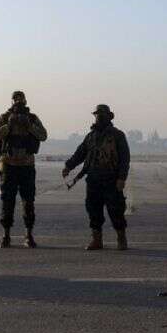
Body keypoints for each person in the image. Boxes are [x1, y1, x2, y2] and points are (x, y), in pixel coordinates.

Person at [62, 104, 131, 250]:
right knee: (93, 210)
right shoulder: (91, 136)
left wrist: (121, 178)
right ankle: (97, 240)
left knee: (116, 210)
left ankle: (121, 238)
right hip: (93, 179)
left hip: (111, 179)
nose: (98, 117)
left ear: (108, 117)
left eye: (101, 115)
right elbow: (80, 154)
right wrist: (69, 166)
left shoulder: (117, 135)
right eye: (97, 115)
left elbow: (125, 159)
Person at [0, 90, 48, 248]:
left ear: (25, 100)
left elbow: (43, 135)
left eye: (20, 99)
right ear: (12, 101)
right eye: (16, 99)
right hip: (9, 165)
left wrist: (29, 126)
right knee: (7, 201)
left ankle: (28, 234)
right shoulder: (4, 117)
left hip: (26, 165)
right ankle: (6, 235)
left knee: (28, 201)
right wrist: (9, 125)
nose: (18, 102)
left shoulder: (32, 118)